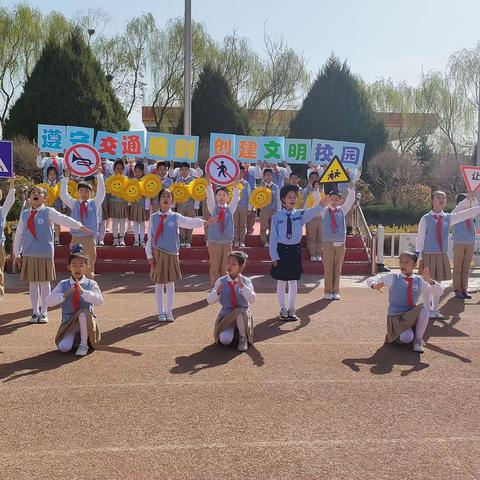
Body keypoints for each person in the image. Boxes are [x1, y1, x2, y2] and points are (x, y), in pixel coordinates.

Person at [13, 186, 93, 323]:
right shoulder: (25, 214)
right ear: (29, 198)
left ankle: (44, 312)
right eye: (33, 193)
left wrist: (79, 226)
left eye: (39, 193)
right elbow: (19, 234)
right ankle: (34, 312)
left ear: (45, 198)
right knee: (33, 284)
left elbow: (64, 219)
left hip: (45, 253)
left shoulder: (48, 212)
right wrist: (17, 252)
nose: (36, 194)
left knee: (44, 283)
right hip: (29, 252)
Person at [146, 189, 217, 322]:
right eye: (163, 196)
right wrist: (149, 255)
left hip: (172, 253)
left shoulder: (175, 217)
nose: (166, 198)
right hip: (157, 253)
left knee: (170, 282)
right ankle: (161, 312)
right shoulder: (153, 217)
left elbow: (189, 222)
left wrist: (205, 222)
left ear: (172, 201)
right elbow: (149, 237)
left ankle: (169, 311)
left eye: (168, 196)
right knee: (159, 283)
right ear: (159, 200)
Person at [416, 190, 480, 319]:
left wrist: (469, 200)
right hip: (428, 254)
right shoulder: (425, 218)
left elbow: (465, 213)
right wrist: (419, 256)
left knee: (438, 284)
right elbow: (420, 237)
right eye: (438, 197)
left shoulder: (448, 217)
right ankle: (427, 309)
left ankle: (435, 309)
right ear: (432, 200)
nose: (441, 199)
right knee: (427, 284)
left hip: (441, 255)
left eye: (443, 197)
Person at [367, 251, 444, 353]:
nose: (403, 265)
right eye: (401, 262)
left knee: (423, 309)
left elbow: (439, 291)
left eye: (407, 262)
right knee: (406, 338)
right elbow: (372, 279)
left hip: (410, 316)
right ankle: (395, 335)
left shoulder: (419, 280)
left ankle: (418, 340)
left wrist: (430, 281)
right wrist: (374, 284)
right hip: (396, 317)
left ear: (414, 265)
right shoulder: (393, 277)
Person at [270, 185, 327, 320]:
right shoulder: (277, 216)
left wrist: (321, 205)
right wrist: (274, 255)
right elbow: (273, 237)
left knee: (293, 281)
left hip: (295, 250)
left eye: (294, 197)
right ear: (283, 199)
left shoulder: (300, 214)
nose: (292, 199)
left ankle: (291, 308)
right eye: (289, 197)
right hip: (281, 250)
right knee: (282, 281)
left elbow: (313, 211)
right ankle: (282, 308)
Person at [46, 245, 103, 357]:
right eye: (74, 265)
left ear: (86, 267)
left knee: (82, 313)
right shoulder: (63, 284)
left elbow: (99, 301)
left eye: (81, 265)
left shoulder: (91, 284)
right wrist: (65, 294)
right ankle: (78, 338)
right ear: (69, 267)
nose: (77, 269)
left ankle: (83, 344)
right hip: (69, 323)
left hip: (87, 322)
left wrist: (83, 292)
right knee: (63, 348)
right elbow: (48, 302)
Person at [60, 167, 105, 278]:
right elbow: (63, 195)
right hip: (76, 237)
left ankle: (89, 288)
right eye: (81, 191)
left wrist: (99, 176)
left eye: (86, 191)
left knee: (89, 264)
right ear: (78, 192)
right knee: (76, 264)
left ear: (91, 193)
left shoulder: (94, 204)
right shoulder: (74, 203)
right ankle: (75, 286)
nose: (84, 193)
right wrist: (66, 177)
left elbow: (102, 192)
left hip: (89, 238)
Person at [207, 251, 256, 352]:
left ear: (241, 267)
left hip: (242, 315)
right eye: (228, 263)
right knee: (225, 340)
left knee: (239, 312)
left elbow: (252, 300)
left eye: (233, 264)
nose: (229, 266)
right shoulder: (221, 281)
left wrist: (243, 287)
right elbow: (209, 301)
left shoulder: (246, 281)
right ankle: (236, 332)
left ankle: (243, 338)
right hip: (227, 316)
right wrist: (217, 292)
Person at [321, 182, 356, 300]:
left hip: (340, 242)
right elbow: (317, 201)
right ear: (328, 200)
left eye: (336, 199)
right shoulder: (324, 210)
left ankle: (335, 291)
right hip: (327, 242)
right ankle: (327, 291)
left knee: (337, 268)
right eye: (332, 199)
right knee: (328, 268)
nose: (334, 201)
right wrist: (317, 190)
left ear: (340, 201)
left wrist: (351, 190)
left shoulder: (342, 210)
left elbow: (350, 201)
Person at [206, 180, 240, 286]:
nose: (221, 197)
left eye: (224, 195)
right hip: (214, 242)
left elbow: (235, 199)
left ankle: (224, 288)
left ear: (227, 198)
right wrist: (208, 184)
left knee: (225, 267)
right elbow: (210, 198)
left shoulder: (230, 209)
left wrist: (235, 187)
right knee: (214, 266)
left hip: (227, 242)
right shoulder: (213, 208)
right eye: (219, 195)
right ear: (216, 197)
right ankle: (214, 288)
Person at [452, 193, 478, 299]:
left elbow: (476, 208)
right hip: (459, 242)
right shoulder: (456, 213)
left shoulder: (470, 214)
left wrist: (474, 199)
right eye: (466, 201)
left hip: (470, 242)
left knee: (466, 267)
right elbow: (459, 207)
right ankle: (457, 289)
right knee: (458, 267)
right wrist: (466, 201)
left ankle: (464, 289)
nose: (469, 203)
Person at [174, 162, 198, 248]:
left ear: (189, 171)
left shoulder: (193, 180)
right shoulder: (178, 180)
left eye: (186, 170)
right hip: (180, 204)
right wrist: (174, 204)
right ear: (179, 171)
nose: (184, 172)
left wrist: (196, 205)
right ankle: (182, 239)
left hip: (190, 204)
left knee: (190, 222)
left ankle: (188, 239)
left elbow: (196, 193)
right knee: (181, 222)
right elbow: (175, 192)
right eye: (182, 170)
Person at [0, 176, 15, 301]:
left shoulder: (2, 211)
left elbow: (9, 201)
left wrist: (12, 185)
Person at [129, 162, 151, 247]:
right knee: (135, 222)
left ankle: (142, 240)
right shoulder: (132, 181)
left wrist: (147, 206)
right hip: (134, 204)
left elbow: (148, 194)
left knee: (142, 223)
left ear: (143, 172)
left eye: (139, 171)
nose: (137, 173)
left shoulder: (146, 181)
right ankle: (136, 240)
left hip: (143, 205)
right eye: (136, 171)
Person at [259, 168, 281, 247]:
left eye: (270, 175)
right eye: (266, 175)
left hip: (274, 210)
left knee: (273, 227)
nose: (268, 177)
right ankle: (264, 241)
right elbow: (257, 198)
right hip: (264, 209)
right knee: (263, 227)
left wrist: (278, 210)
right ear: (264, 176)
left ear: (272, 176)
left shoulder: (275, 187)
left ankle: (272, 241)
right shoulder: (261, 187)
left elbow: (278, 200)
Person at [109, 159, 129, 247]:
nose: (119, 170)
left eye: (121, 168)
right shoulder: (110, 179)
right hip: (113, 203)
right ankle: (115, 239)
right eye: (117, 168)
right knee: (115, 221)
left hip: (123, 203)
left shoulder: (126, 179)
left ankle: (122, 238)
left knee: (122, 221)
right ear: (114, 169)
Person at [303, 174, 323, 262]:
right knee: (311, 237)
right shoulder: (309, 193)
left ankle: (319, 254)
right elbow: (305, 206)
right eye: (315, 185)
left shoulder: (323, 194)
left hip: (321, 219)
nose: (317, 186)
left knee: (320, 237)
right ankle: (312, 254)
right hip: (311, 219)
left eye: (318, 185)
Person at [233, 166, 252, 248]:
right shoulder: (232, 183)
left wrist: (249, 208)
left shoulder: (246, 184)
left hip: (243, 206)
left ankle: (242, 241)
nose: (239, 174)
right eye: (238, 172)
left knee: (242, 225)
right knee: (235, 224)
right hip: (234, 207)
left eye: (241, 172)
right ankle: (236, 240)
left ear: (243, 173)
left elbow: (250, 196)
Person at [46, 166, 63, 245]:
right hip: (48, 205)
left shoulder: (59, 184)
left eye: (54, 174)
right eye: (50, 174)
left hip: (57, 204)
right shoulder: (45, 185)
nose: (52, 176)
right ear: (48, 176)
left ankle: (57, 238)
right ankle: (49, 237)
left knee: (57, 221)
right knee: (48, 222)